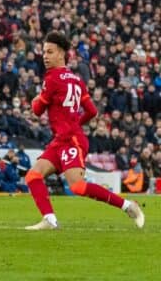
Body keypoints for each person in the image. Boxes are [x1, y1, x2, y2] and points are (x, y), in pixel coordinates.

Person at [25, 31, 144, 230]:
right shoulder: (77, 80)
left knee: (78, 187)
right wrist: (75, 123)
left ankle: (128, 206)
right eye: (44, 52)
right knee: (33, 176)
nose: (45, 56)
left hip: (70, 140)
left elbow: (37, 111)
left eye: (50, 52)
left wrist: (35, 100)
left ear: (62, 53)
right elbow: (92, 111)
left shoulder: (52, 77)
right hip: (64, 138)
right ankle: (50, 220)